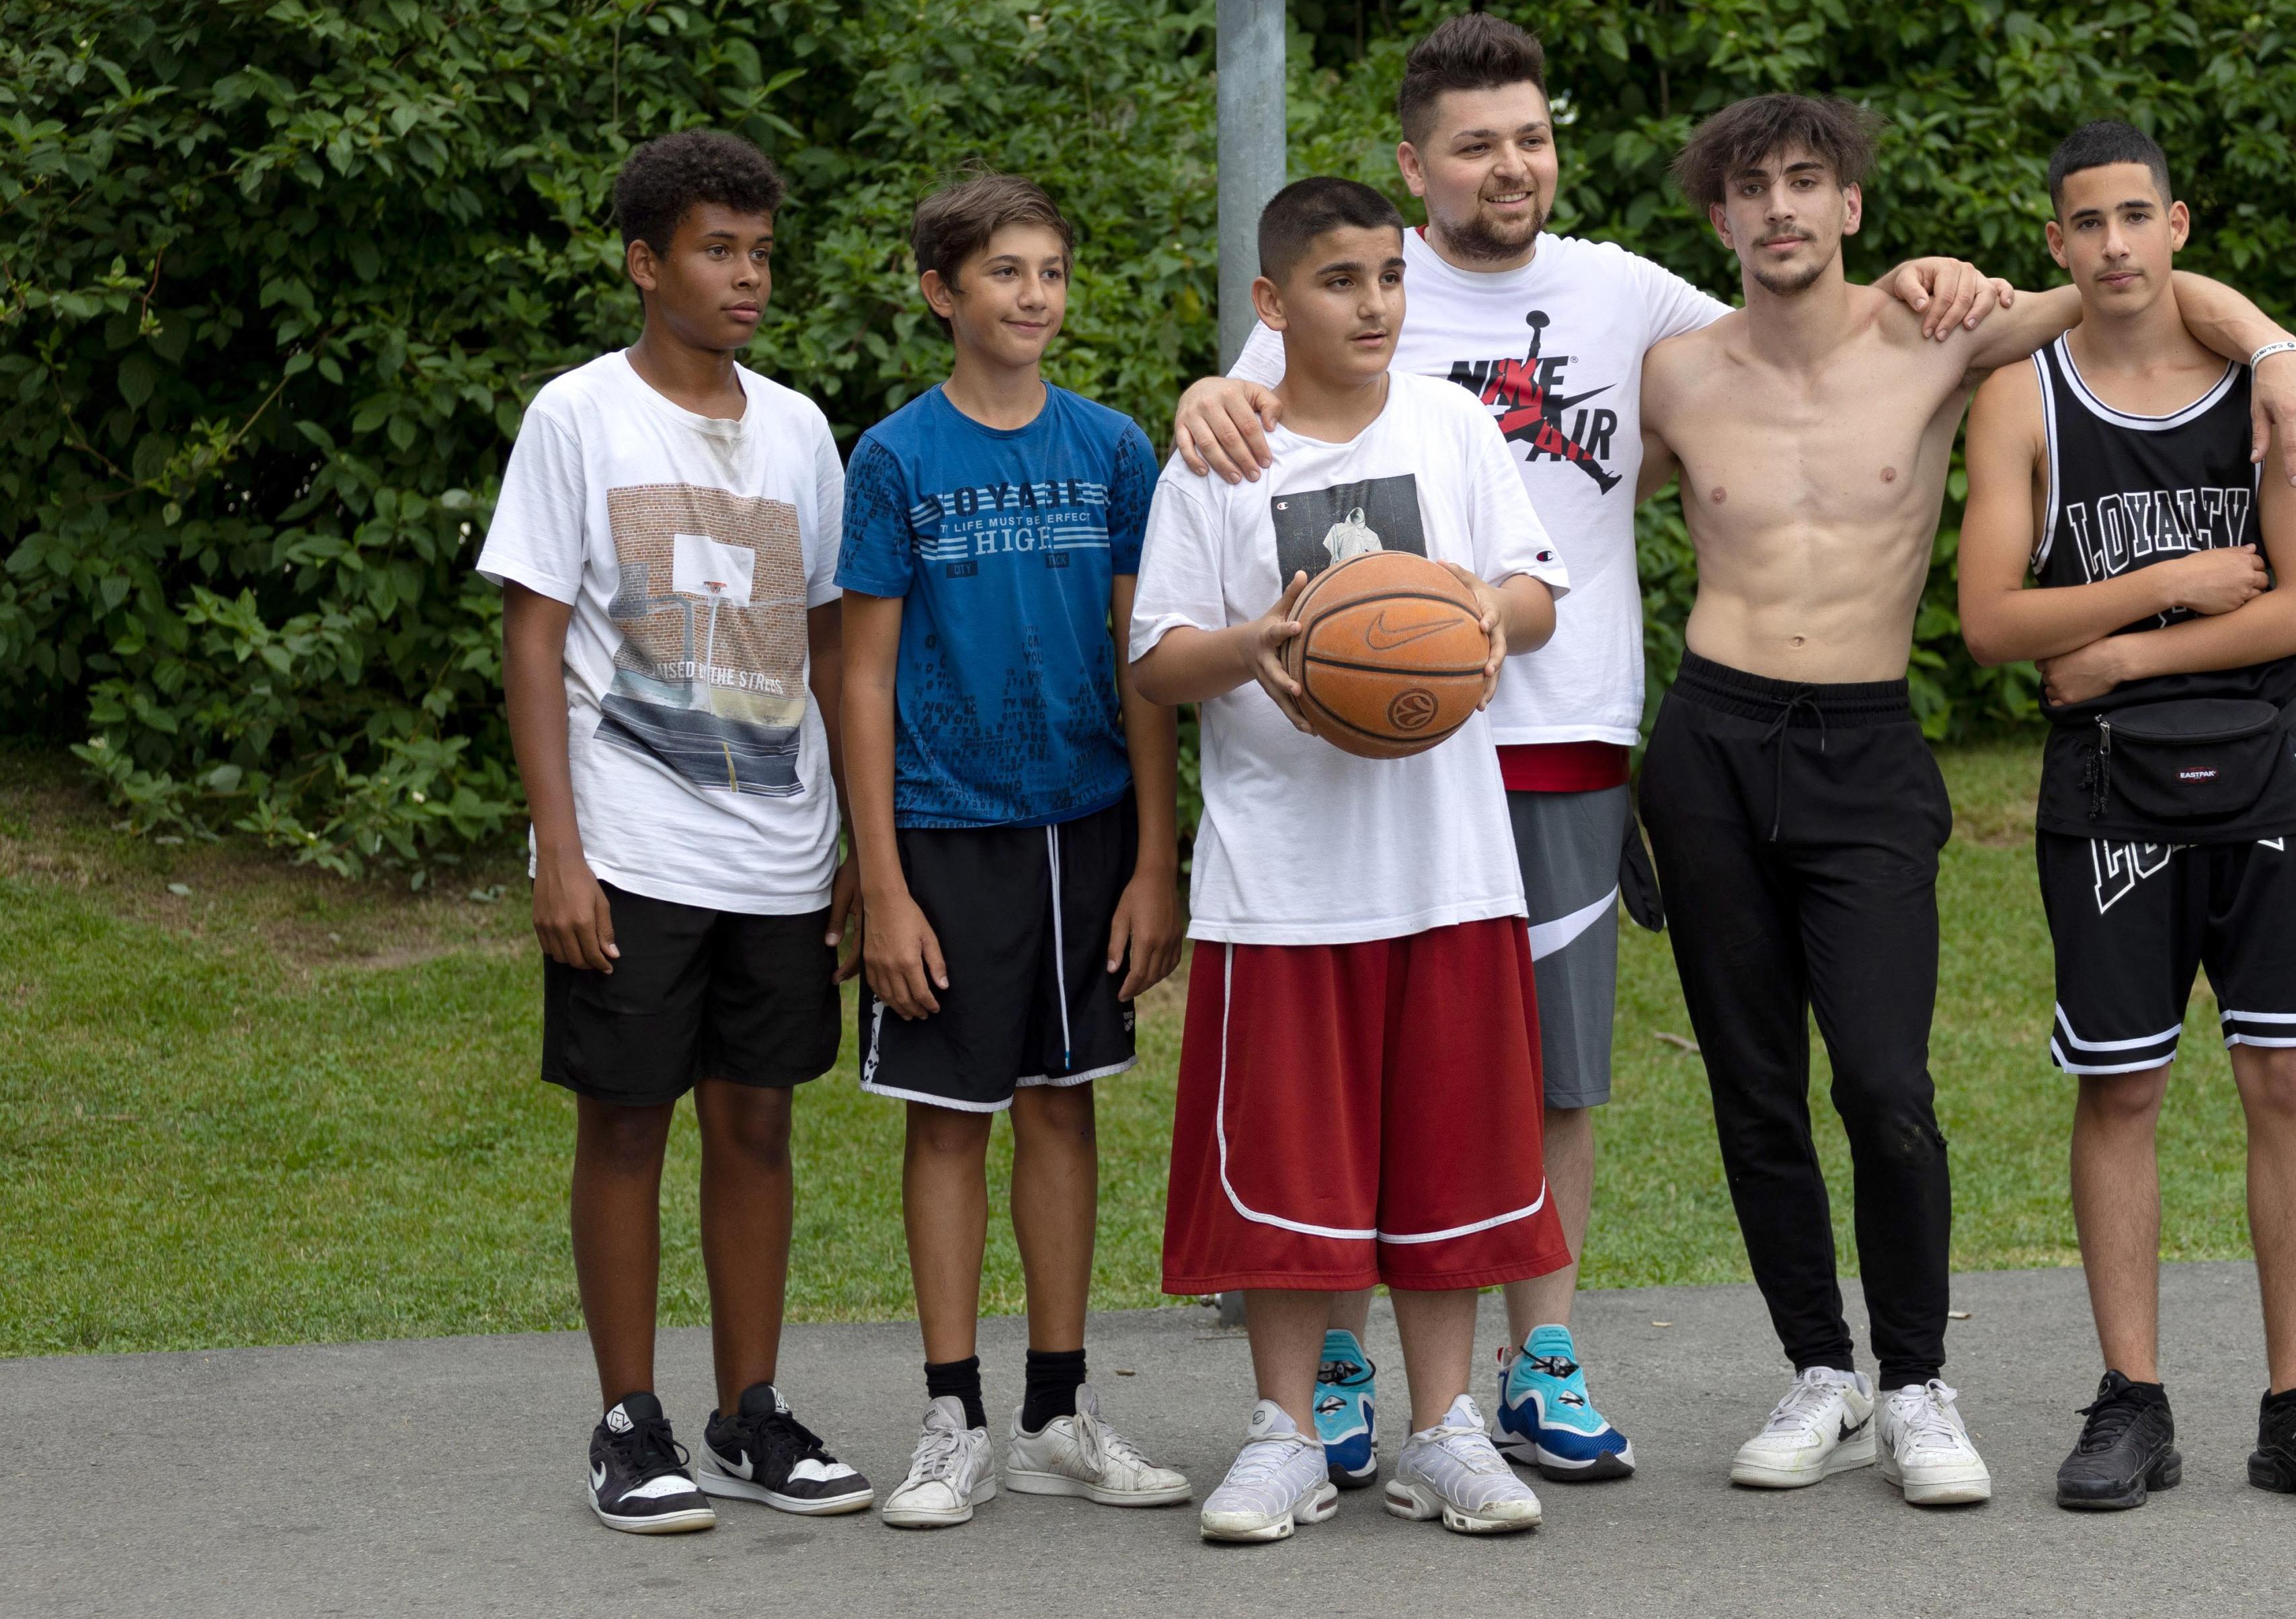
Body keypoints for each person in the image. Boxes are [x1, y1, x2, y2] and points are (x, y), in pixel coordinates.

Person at [1162, 13, 2023, 1487]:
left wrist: (1922, 281)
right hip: (1368, 746)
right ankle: (1343, 1368)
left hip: (1560, 725)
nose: (1510, 166)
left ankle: (1540, 1356)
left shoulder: (1624, 291)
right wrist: (1202, 391)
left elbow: (1791, 330)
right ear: (1413, 165)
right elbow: (1245, 416)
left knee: (1554, 1071)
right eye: (1475, 145)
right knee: (1370, 1060)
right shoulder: (1355, 280)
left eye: (1531, 137)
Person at [1634, 94, 2296, 1507]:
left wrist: (2275, 347)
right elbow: (1553, 517)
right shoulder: (1671, 371)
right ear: (1716, 219)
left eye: (1805, 181)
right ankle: (1820, 1371)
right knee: (1752, 1086)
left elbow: (2132, 280)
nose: (1779, 208)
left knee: (1885, 1082)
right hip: (1708, 738)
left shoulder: (1941, 332)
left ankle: (1914, 1382)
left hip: (1863, 742)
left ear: (1849, 207)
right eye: (1750, 189)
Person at [1957, 120, 2296, 1514]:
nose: (2113, 245)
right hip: (2106, 790)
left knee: (2286, 1078)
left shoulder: (2262, 384)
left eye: (2134, 217)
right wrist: (2170, 588)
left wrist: (2119, 655)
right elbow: (1991, 621)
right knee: (2123, 1085)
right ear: (2055, 243)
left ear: (2177, 226)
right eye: (2085, 223)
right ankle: (2131, 1400)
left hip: (2265, 768)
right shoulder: (2021, 397)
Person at [1130, 176, 1573, 1542]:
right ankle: (1284, 1434)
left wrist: (1475, 611)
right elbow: (1156, 659)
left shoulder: (1449, 424)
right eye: (1339, 280)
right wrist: (1256, 646)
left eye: (1388, 276)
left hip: (1447, 870)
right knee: (1286, 1183)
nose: (1373, 303)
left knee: (1449, 1170)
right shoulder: (1218, 457)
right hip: (1282, 885)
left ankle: (1443, 1429)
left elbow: (1534, 594)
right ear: (1272, 302)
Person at [481, 130, 872, 1534]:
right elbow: (533, 642)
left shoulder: (800, 429)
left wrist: (858, 839)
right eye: (718, 251)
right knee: (626, 1124)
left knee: (757, 1122)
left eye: (761, 251)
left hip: (777, 846)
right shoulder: (577, 416)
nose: (748, 276)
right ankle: (628, 1424)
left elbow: (831, 648)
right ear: (647, 264)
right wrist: (561, 848)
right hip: (631, 848)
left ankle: (749, 1415)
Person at [835, 174, 1189, 1529]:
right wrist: (881, 883)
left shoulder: (1113, 449)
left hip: (1084, 824)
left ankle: (1055, 1411)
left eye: (1049, 271)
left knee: (1063, 1103)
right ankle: (951, 1417)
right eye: (1003, 272)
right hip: (943, 828)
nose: (1033, 295)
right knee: (949, 1118)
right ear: (941, 292)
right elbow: (862, 677)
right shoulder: (895, 459)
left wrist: (1154, 858)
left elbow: (1143, 663)